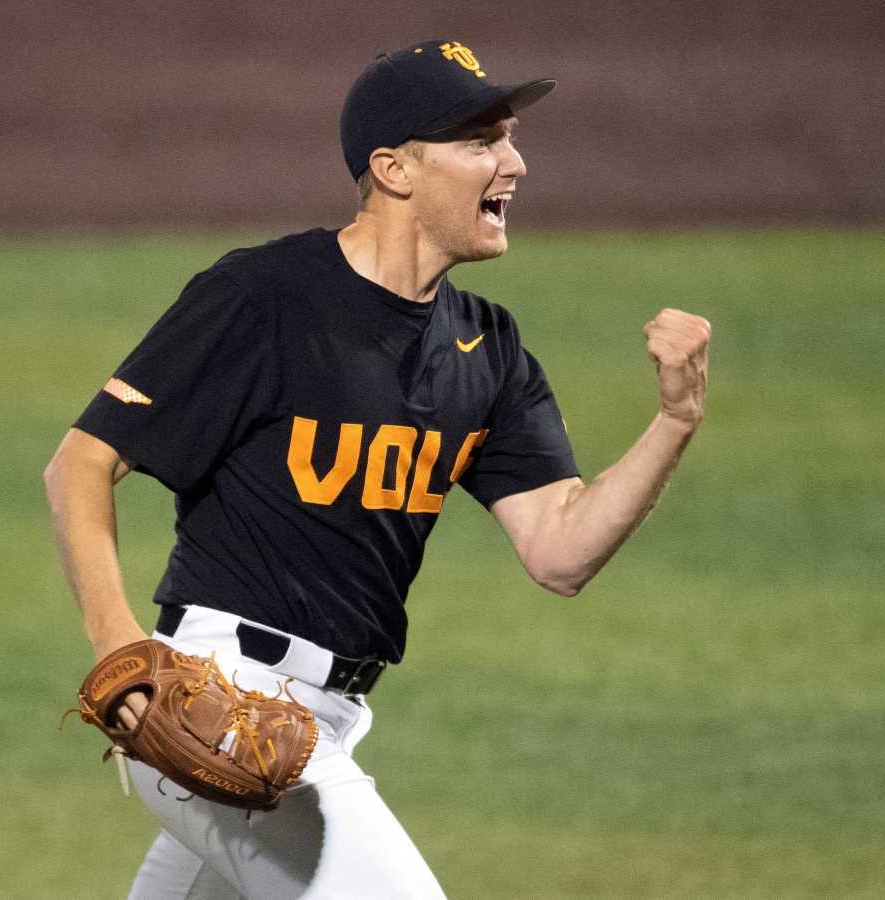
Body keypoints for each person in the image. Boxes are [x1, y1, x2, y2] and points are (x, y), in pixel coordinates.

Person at [44, 38, 710, 900]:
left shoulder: (489, 349)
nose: (516, 162)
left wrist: (675, 420)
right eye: (481, 142)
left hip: (326, 723)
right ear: (394, 168)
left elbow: (561, 550)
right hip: (212, 702)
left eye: (507, 138)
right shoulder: (266, 296)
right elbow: (82, 462)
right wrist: (121, 645)